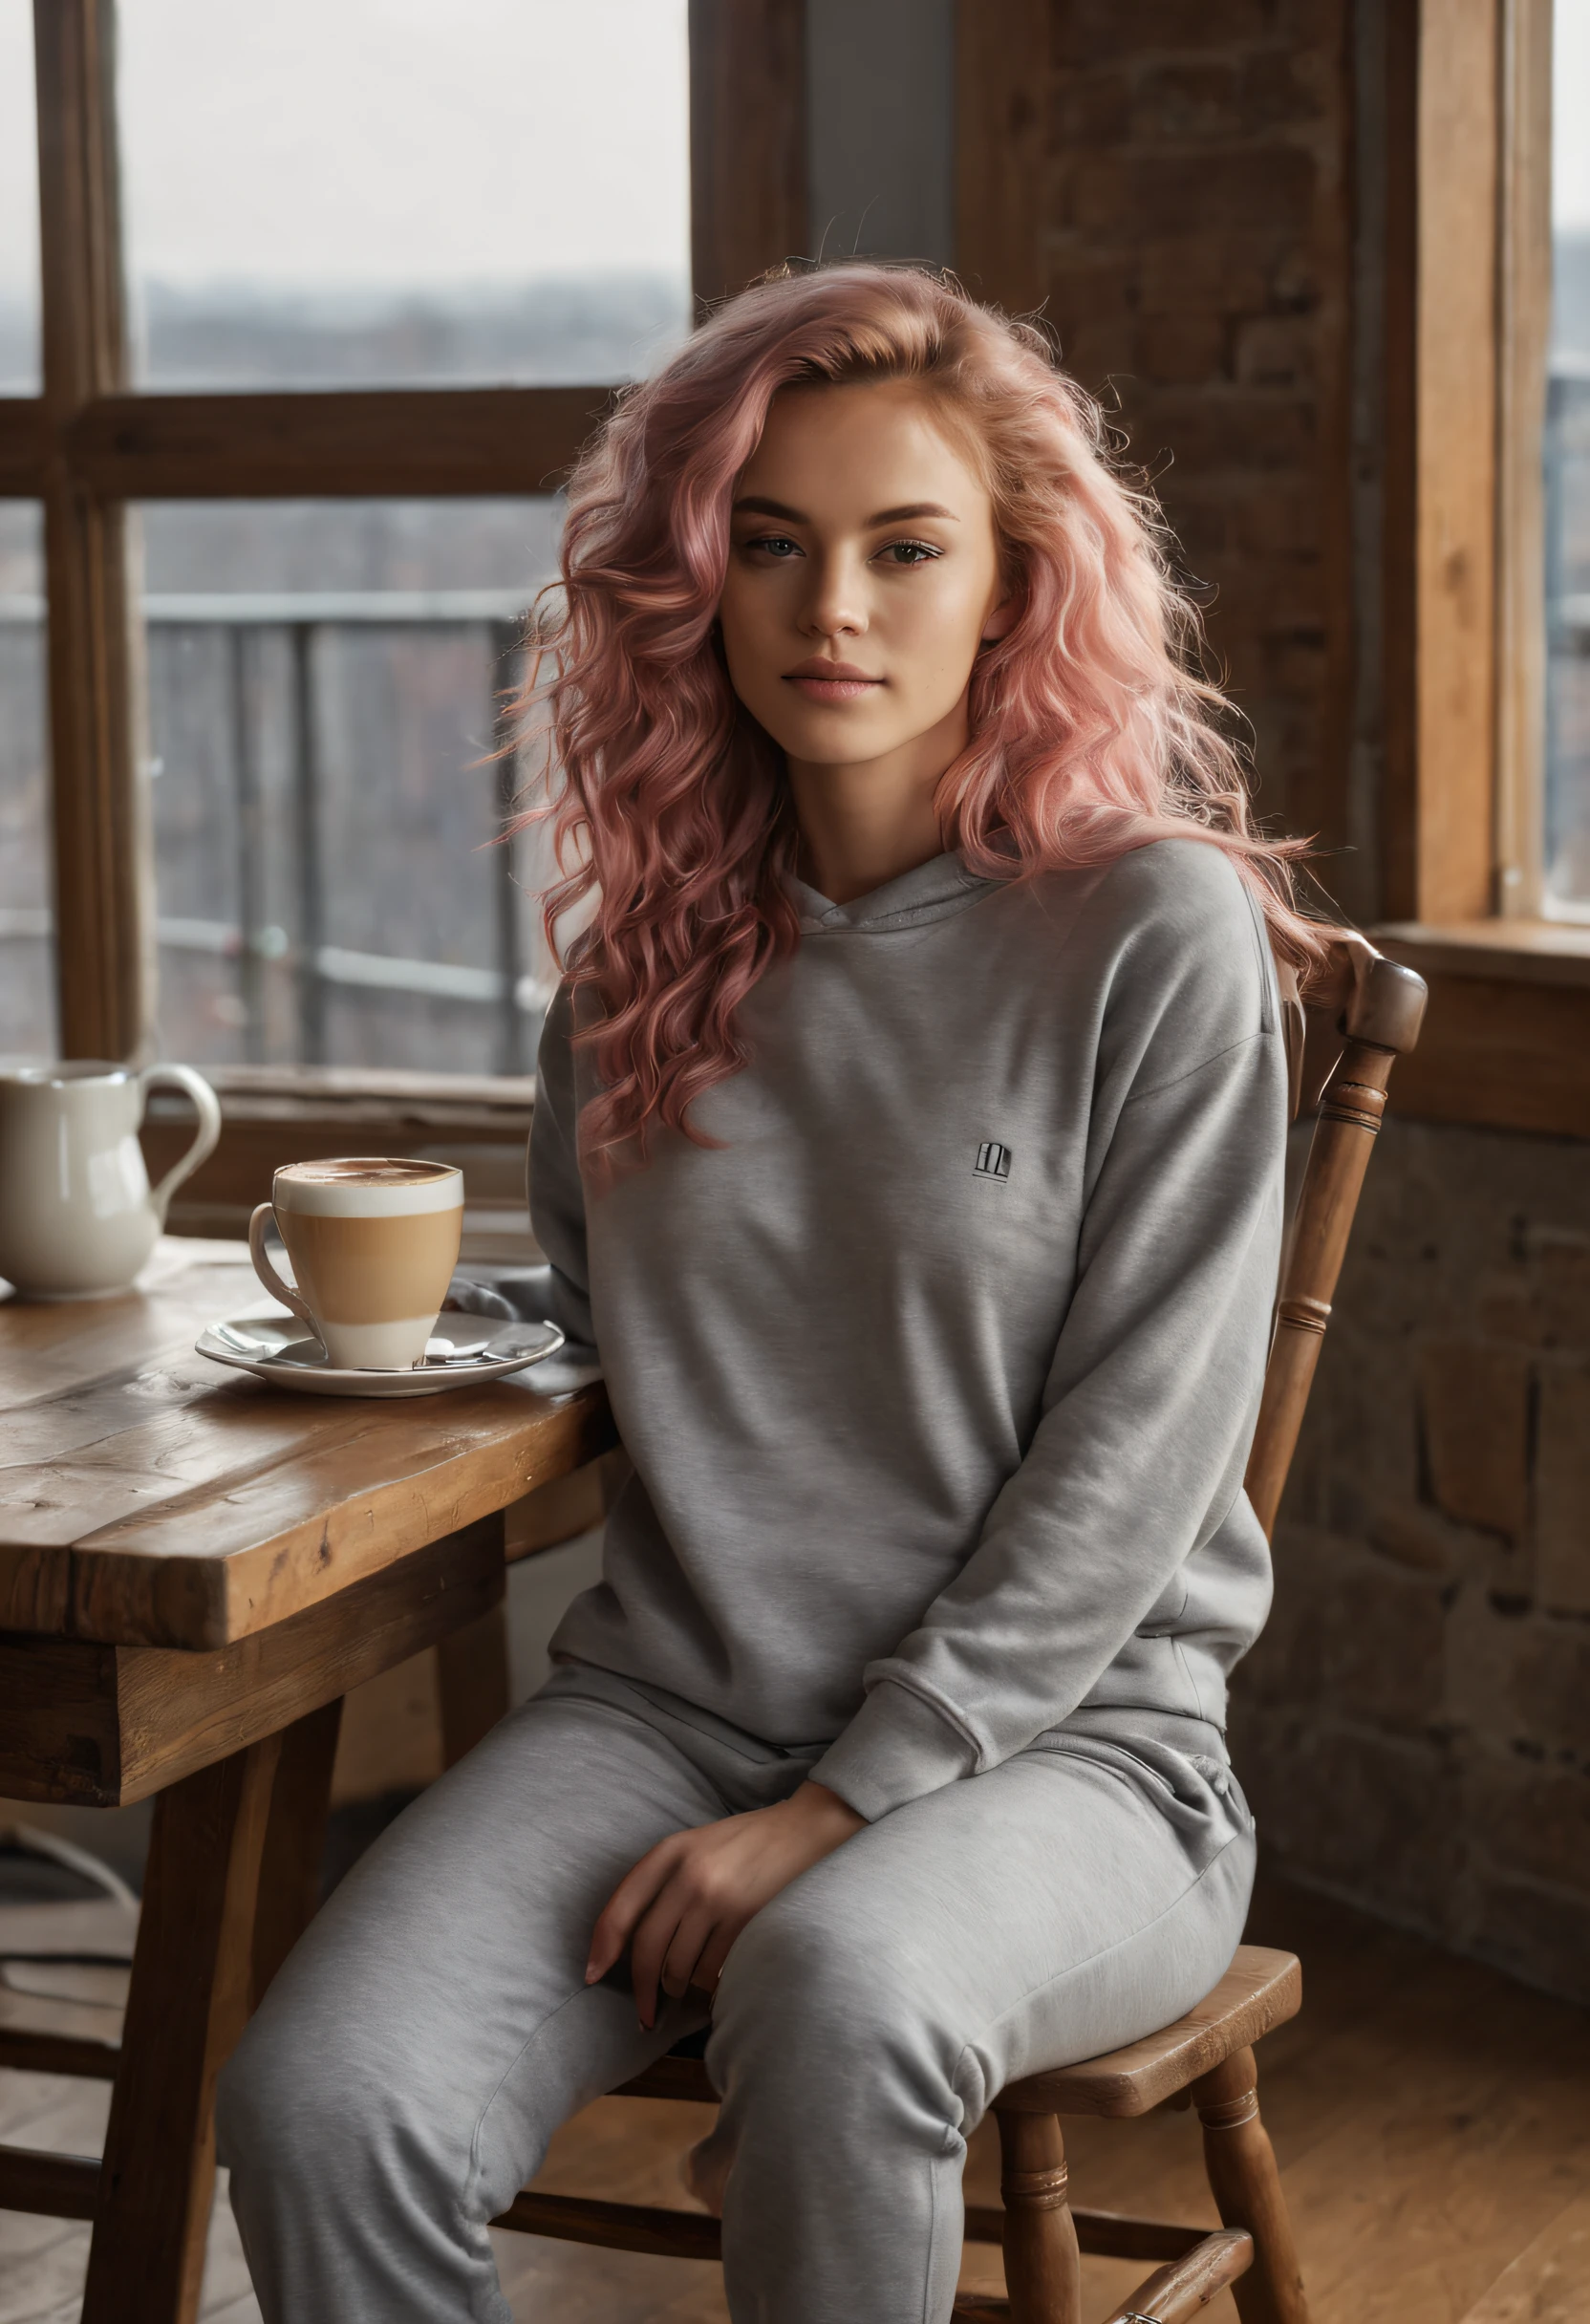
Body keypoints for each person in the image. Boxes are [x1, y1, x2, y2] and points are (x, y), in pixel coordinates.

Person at [217, 263, 1318, 2324]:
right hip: (669, 1714)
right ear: (695, 583)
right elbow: (617, 1344)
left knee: (833, 1988)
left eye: (906, 550)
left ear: (1007, 586)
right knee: (317, 2099)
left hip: (1075, 1755)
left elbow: (1134, 1461)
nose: (833, 611)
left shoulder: (1141, 934)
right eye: (770, 544)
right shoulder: (635, 978)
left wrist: (842, 1805)